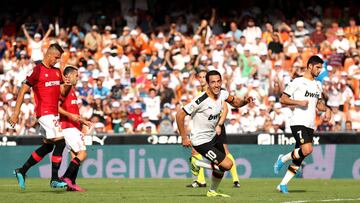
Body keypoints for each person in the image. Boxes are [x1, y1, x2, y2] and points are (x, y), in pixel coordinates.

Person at [176, 70, 253, 197]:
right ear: (207, 83)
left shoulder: (222, 94)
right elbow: (179, 115)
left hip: (213, 137)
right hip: (201, 141)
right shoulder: (201, 100)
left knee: (222, 167)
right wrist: (184, 137)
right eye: (213, 82)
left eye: (218, 81)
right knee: (228, 164)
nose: (216, 85)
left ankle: (212, 191)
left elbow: (235, 103)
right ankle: (197, 163)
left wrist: (245, 101)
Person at [8, 43, 72, 190]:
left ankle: (22, 171)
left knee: (49, 146)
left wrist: (68, 84)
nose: (57, 60)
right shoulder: (37, 70)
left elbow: (62, 93)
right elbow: (23, 90)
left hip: (53, 114)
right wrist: (16, 112)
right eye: (56, 57)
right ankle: (54, 179)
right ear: (49, 55)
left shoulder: (57, 72)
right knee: (61, 143)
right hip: (44, 113)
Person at [273, 55, 332, 193]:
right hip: (298, 122)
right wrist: (299, 102)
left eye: (320, 68)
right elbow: (283, 99)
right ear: (310, 66)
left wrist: (328, 109)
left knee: (299, 158)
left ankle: (282, 185)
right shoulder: (297, 82)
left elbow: (318, 104)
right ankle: (283, 158)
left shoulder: (318, 85)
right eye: (318, 67)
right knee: (307, 150)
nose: (319, 71)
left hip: (310, 124)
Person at [186, 69, 241, 188]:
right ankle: (201, 181)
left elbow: (225, 108)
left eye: (203, 77)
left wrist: (220, 124)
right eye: (199, 77)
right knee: (197, 152)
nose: (201, 79)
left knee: (225, 155)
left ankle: (235, 180)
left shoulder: (219, 92)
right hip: (206, 130)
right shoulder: (200, 95)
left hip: (217, 126)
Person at [58, 65, 92, 192]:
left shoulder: (71, 90)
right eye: (76, 75)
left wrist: (82, 122)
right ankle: (66, 177)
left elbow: (73, 111)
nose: (77, 78)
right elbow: (56, 107)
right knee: (83, 154)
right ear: (68, 76)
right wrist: (75, 119)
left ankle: (71, 185)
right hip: (68, 126)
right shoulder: (65, 89)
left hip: (73, 127)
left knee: (75, 156)